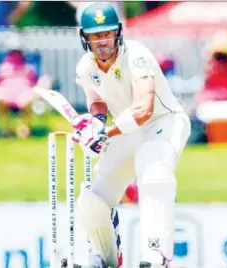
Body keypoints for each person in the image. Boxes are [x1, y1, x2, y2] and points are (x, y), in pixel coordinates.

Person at [68, 3, 190, 268]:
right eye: (95, 35)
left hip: (164, 122)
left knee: (153, 172)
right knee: (94, 197)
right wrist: (93, 125)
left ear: (119, 33)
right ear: (85, 38)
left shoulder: (137, 55)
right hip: (126, 127)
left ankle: (156, 255)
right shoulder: (85, 67)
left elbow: (144, 109)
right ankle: (104, 256)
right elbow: (97, 102)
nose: (102, 42)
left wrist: (105, 132)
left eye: (107, 34)